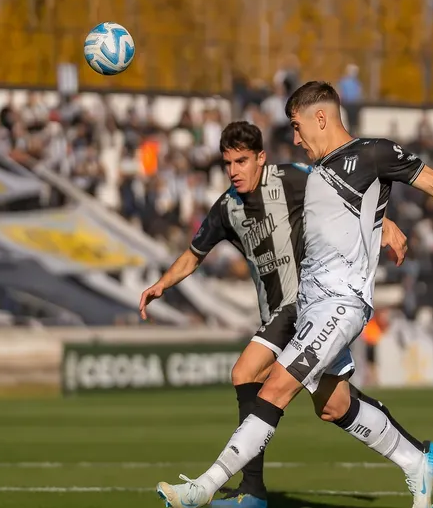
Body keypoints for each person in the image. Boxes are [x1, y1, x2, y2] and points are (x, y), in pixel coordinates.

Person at [154, 82, 433, 508]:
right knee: (332, 405)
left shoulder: (371, 154)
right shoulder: (316, 174)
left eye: (296, 125)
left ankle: (205, 487)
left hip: (341, 304)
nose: (294, 137)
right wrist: (384, 226)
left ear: (320, 118)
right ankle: (417, 460)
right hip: (309, 308)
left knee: (272, 388)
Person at [139, 120, 415, 508]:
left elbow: (343, 195)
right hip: (284, 315)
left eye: (242, 161)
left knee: (245, 372)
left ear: (261, 158)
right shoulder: (226, 208)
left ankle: (249, 491)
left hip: (305, 304)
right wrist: (162, 285)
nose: (234, 170)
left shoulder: (289, 178)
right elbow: (193, 254)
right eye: (228, 163)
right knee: (334, 406)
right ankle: (418, 455)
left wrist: (382, 222)